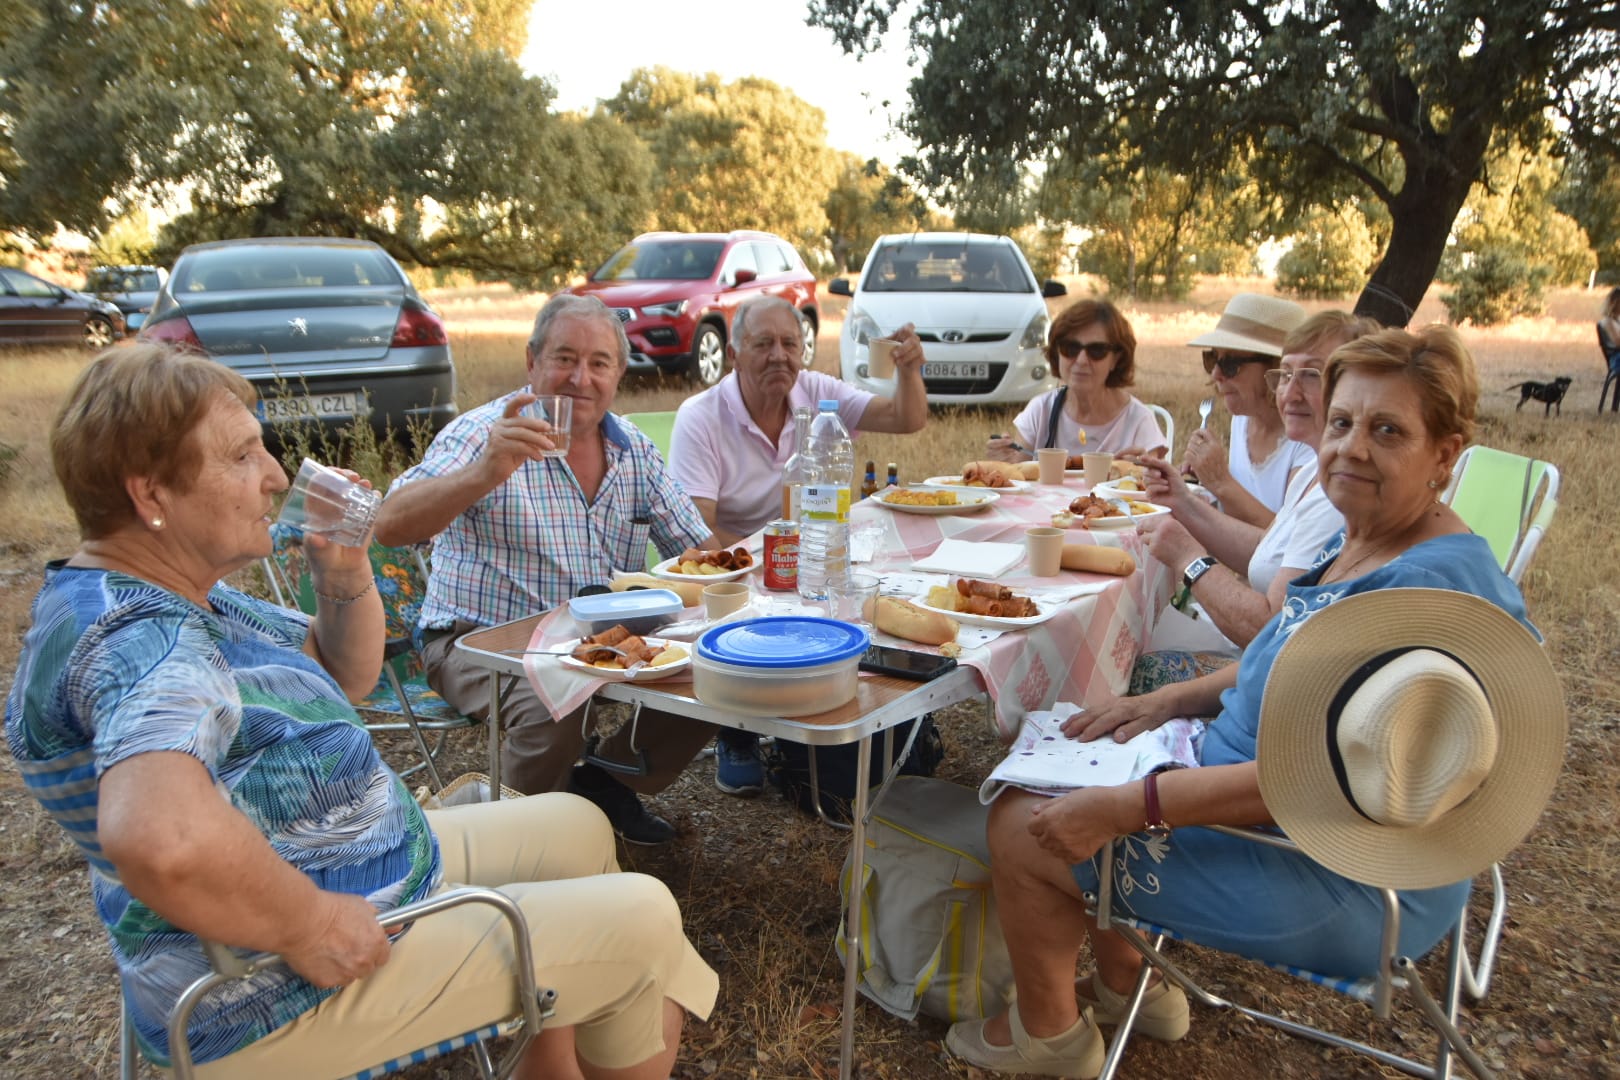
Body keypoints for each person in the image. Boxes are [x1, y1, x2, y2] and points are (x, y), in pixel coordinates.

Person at [5, 344, 718, 1080]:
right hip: (265, 993)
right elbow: (158, 836)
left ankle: (555, 1048)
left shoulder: (169, 593)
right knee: (644, 919)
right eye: (244, 456)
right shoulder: (143, 640)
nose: (276, 476)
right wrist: (308, 923)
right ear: (151, 494)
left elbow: (341, 672)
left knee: (579, 826)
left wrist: (341, 570)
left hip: (352, 871)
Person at [945, 325, 1537, 1077]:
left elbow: (1312, 779)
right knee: (1063, 740)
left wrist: (1125, 807)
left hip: (1342, 871)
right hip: (1290, 813)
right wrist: (1171, 702)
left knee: (1020, 826)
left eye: (1387, 430)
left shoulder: (1425, 591)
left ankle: (1050, 1037)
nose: (1352, 447)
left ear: (1445, 454)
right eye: (1344, 422)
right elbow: (1294, 662)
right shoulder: (1378, 537)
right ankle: (1135, 991)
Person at [373, 294, 718, 846]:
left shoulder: (633, 451)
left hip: (600, 639)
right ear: (532, 362)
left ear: (619, 374)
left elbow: (702, 556)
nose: (580, 378)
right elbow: (390, 525)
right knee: (557, 698)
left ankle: (602, 782)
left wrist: (731, 597)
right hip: (476, 641)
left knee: (718, 670)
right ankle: (504, 845)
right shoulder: (484, 435)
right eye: (564, 358)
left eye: (599, 363)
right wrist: (485, 472)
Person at [667, 294, 928, 794]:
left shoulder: (818, 396)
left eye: (790, 343)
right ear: (735, 353)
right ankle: (736, 731)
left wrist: (909, 369)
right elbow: (697, 533)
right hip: (738, 568)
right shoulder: (701, 416)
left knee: (868, 607)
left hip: (811, 558)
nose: (779, 356)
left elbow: (905, 418)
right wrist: (772, 563)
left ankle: (840, 728)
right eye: (763, 344)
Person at [1132, 312, 1379, 675]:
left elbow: (1272, 631)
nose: (1291, 393)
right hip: (1264, 660)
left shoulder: (1340, 490)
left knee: (1132, 668)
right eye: (1286, 375)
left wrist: (1190, 559)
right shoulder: (1317, 467)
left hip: (1279, 679)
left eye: (1312, 375)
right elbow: (1272, 549)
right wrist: (1183, 503)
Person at [1180, 292, 1311, 525]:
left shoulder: (1308, 441)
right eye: (1212, 359)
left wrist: (1221, 482)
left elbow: (1288, 541)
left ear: (1275, 369)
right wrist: (1201, 483)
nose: (1215, 374)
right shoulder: (1243, 419)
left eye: (1230, 364)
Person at [986, 298, 1165, 462]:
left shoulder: (1139, 421)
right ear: (1057, 353)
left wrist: (1142, 473)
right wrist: (1005, 462)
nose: (1081, 360)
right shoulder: (1041, 411)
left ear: (1116, 359)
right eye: (1070, 348)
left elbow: (1153, 492)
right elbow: (1020, 477)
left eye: (1096, 350)